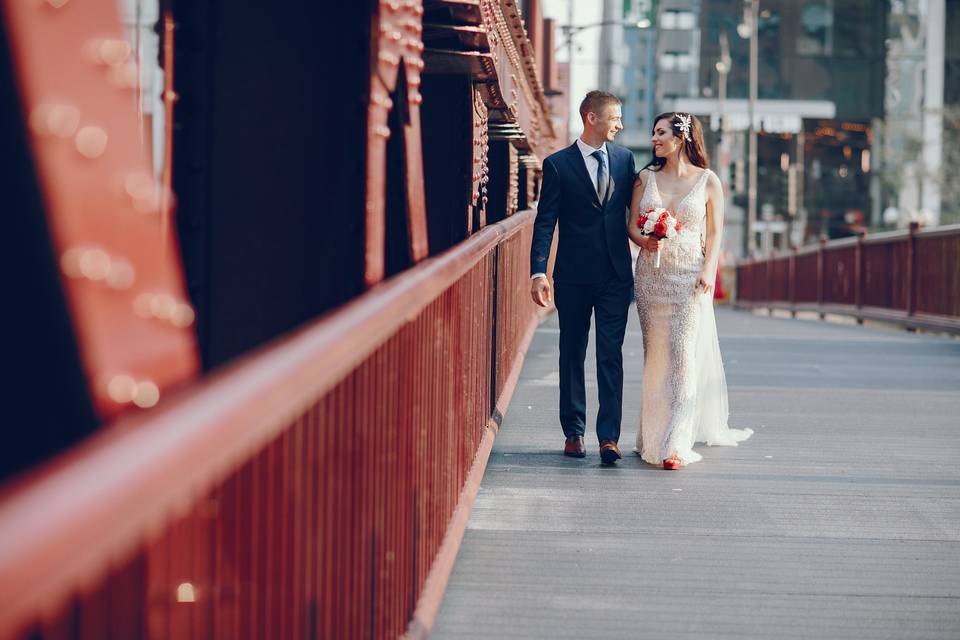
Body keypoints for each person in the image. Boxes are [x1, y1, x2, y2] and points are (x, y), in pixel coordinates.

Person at [627, 112, 753, 469]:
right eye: (653, 132)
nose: (654, 139)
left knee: (682, 355)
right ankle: (651, 435)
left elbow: (714, 233)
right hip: (651, 277)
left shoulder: (709, 181)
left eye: (660, 132)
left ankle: (675, 443)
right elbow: (631, 226)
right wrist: (644, 240)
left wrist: (709, 271)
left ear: (680, 137)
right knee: (656, 355)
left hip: (688, 276)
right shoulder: (644, 178)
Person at [530, 91, 637, 464]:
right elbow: (545, 222)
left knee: (611, 355)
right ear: (591, 118)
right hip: (573, 275)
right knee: (571, 353)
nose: (619, 126)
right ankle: (573, 433)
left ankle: (609, 437)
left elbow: (633, 212)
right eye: (614, 119)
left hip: (615, 275)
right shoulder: (558, 165)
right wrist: (538, 270)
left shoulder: (625, 160)